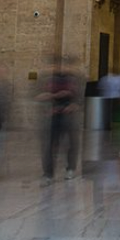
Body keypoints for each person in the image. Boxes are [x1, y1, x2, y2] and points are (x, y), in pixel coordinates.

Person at [36, 57, 81, 185]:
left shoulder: (75, 79)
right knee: (49, 145)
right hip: (51, 116)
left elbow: (80, 98)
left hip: (69, 117)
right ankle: (48, 174)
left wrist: (74, 105)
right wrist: (49, 98)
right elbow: (36, 94)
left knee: (71, 144)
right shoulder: (46, 78)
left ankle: (70, 168)